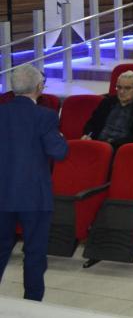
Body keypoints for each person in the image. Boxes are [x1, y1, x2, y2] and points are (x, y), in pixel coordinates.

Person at [0, 64, 68, 301]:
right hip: (34, 195)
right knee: (34, 252)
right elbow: (58, 152)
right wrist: (61, 138)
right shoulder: (45, 116)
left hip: (2, 193)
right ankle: (32, 303)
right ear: (39, 87)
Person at [81, 70, 133, 148]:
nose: (121, 92)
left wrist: (112, 144)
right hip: (97, 143)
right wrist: (88, 135)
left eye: (127, 88)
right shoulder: (107, 102)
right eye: (119, 87)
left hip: (120, 148)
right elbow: (92, 123)